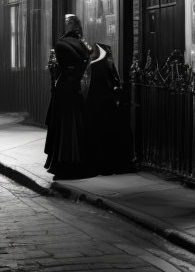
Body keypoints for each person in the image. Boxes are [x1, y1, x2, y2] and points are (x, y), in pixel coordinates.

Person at [44, 14, 92, 179]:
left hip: (64, 86)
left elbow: (57, 67)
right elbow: (86, 61)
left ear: (72, 24)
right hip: (75, 86)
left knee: (63, 123)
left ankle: (64, 161)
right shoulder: (83, 43)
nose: (65, 25)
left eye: (67, 22)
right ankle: (77, 161)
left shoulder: (61, 43)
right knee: (75, 121)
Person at [85, 43, 132, 175]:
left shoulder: (99, 67)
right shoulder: (99, 67)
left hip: (102, 109)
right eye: (109, 57)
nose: (111, 60)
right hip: (103, 109)